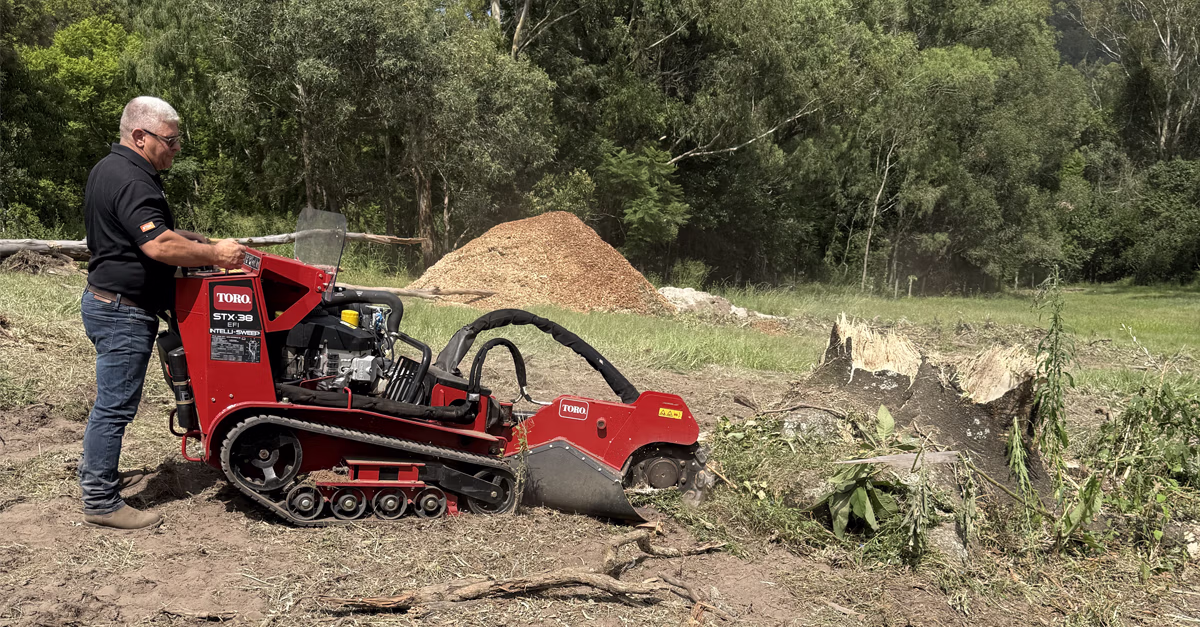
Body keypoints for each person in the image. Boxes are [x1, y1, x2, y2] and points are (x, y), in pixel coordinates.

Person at [80, 96, 245, 529]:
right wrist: (214, 253)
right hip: (122, 312)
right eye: (170, 141)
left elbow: (137, 231)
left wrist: (189, 237)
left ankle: (101, 479)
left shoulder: (109, 169)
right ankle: (99, 500)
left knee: (113, 403)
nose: (176, 149)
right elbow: (157, 245)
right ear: (140, 135)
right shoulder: (134, 180)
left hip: (108, 301)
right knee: (115, 406)